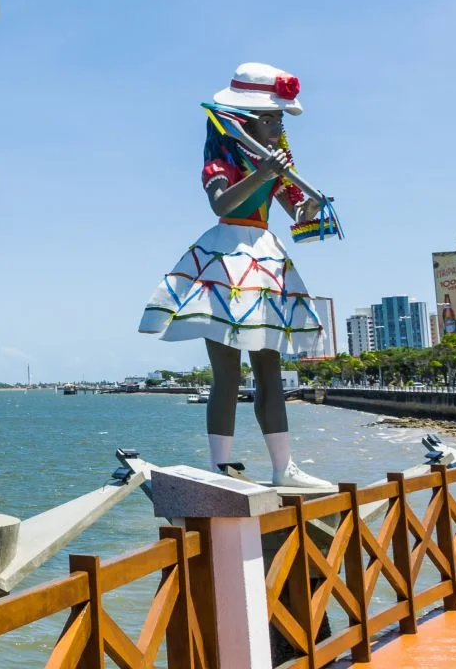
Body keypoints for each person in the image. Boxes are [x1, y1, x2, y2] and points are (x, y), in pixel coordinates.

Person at [139, 63, 332, 490]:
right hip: (225, 259)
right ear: (245, 121)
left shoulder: (276, 163)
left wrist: (309, 210)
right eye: (272, 118)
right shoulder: (222, 160)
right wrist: (263, 175)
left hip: (263, 257)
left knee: (269, 367)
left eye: (280, 119)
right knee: (225, 373)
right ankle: (219, 465)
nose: (279, 125)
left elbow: (295, 218)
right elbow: (222, 206)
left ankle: (284, 467)